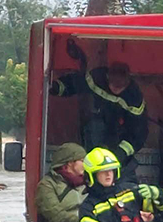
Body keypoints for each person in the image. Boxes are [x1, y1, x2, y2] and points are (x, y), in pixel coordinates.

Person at [50, 40, 147, 182]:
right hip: (95, 125)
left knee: (121, 168)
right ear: (107, 77)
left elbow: (138, 134)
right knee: (95, 128)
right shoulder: (96, 79)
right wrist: (57, 88)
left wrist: (120, 153)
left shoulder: (134, 98)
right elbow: (76, 83)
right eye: (114, 85)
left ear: (128, 82)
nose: (116, 90)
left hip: (120, 135)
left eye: (121, 87)